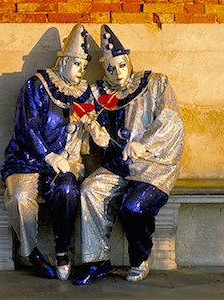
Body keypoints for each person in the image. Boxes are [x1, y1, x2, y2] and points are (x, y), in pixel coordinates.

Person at [73, 24, 184, 285]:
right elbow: (88, 121)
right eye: (110, 68)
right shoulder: (101, 94)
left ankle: (140, 258)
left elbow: (172, 121)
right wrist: (95, 133)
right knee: (90, 188)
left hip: (153, 164)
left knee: (133, 207)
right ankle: (97, 261)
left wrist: (144, 144)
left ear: (128, 61)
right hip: (120, 165)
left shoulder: (155, 83)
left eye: (121, 65)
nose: (118, 72)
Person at [0, 24, 110, 281]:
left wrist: (97, 132)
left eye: (84, 66)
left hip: (68, 163)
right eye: (77, 64)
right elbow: (27, 127)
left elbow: (97, 128)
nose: (81, 71)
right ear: (64, 61)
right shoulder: (37, 86)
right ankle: (33, 253)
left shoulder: (85, 93)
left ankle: (63, 251)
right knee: (19, 198)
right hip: (27, 160)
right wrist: (49, 156)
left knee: (67, 189)